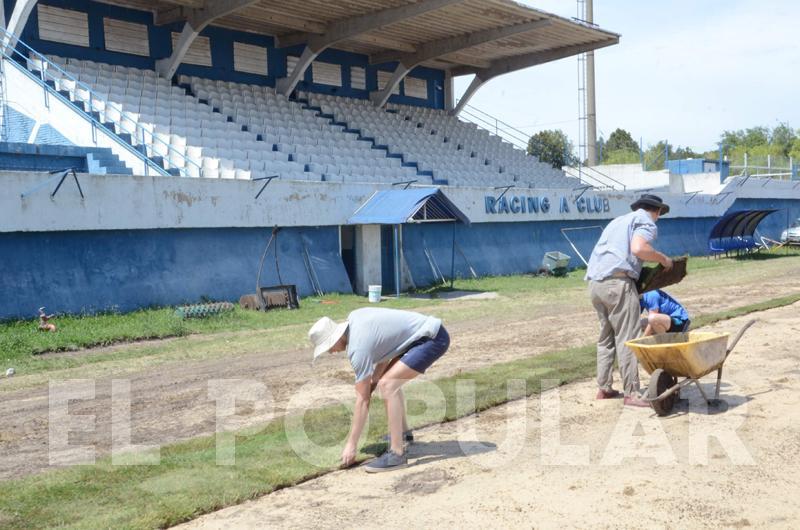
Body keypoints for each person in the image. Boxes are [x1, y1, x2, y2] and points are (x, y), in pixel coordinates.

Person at [308, 307, 449, 473]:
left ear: (336, 338)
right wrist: (374, 380)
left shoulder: (357, 349)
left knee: (388, 385)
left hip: (431, 339)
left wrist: (351, 445)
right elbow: (388, 346)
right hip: (424, 335)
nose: (331, 352)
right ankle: (403, 434)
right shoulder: (355, 317)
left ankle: (397, 454)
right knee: (387, 382)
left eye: (328, 347)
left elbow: (363, 400)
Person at [585, 194, 673, 407]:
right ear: (657, 211)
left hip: (595, 284)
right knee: (629, 337)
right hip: (618, 284)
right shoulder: (646, 221)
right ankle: (632, 393)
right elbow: (638, 248)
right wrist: (663, 259)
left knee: (606, 337)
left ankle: (604, 388)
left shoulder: (618, 221)